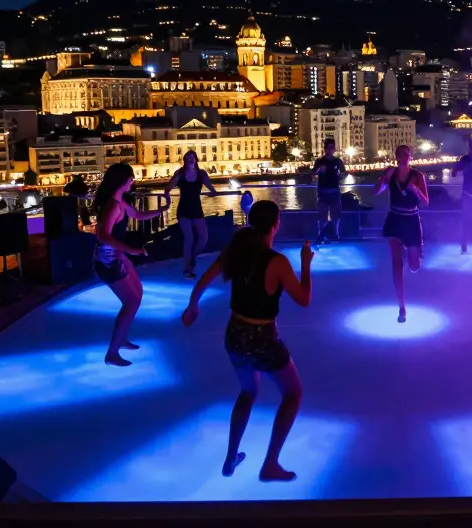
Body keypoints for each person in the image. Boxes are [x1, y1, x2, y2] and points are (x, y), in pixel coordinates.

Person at [182, 201, 313, 482]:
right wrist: (305, 264)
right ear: (276, 224)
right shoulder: (276, 261)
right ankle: (270, 464)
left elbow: (205, 278)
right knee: (293, 394)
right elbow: (303, 299)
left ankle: (231, 458)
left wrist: (193, 306)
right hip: (262, 337)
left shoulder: (238, 248)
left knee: (248, 392)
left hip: (234, 332)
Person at [95, 163, 169, 367]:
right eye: (130, 177)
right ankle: (112, 353)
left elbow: (138, 215)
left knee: (137, 293)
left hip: (116, 257)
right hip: (108, 260)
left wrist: (161, 210)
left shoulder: (121, 202)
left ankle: (121, 338)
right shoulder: (113, 205)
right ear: (122, 180)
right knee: (131, 301)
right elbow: (102, 235)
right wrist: (132, 250)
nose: (133, 181)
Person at [374, 144, 429, 323]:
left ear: (410, 156)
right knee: (397, 266)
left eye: (407, 154)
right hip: (395, 219)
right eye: (401, 155)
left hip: (412, 220)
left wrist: (416, 190)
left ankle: (415, 254)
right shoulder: (391, 173)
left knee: (414, 267)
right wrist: (383, 180)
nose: (404, 157)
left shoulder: (418, 176)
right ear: (396, 156)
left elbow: (426, 202)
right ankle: (402, 307)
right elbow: (376, 192)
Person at [164, 150, 218, 278]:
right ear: (184, 160)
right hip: (183, 209)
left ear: (196, 159)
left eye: (192, 157)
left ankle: (192, 257)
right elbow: (167, 188)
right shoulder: (180, 174)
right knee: (189, 239)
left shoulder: (202, 174)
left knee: (203, 237)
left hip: (196, 208)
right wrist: (167, 200)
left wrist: (213, 192)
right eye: (188, 157)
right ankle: (187, 268)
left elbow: (211, 188)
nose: (190, 159)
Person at [312, 139, 347, 245]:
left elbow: (345, 173)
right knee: (322, 216)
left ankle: (336, 234)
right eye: (328, 147)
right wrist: (319, 170)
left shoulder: (338, 161)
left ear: (334, 149)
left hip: (334, 191)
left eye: (332, 147)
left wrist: (340, 176)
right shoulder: (319, 161)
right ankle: (321, 235)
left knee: (336, 215)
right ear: (325, 149)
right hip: (322, 192)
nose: (330, 150)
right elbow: (313, 175)